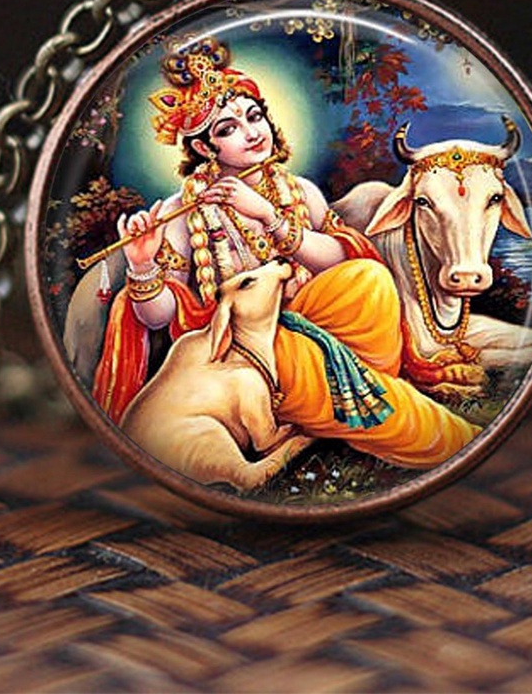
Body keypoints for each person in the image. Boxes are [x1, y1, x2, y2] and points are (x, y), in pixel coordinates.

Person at [89, 37, 479, 470]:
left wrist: (269, 216)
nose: (252, 132)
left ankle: (357, 386)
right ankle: (445, 440)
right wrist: (143, 264)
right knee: (341, 377)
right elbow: (160, 318)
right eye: (228, 129)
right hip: (252, 349)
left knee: (370, 280)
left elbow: (342, 261)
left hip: (313, 322)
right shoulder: (183, 213)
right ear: (203, 148)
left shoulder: (298, 191)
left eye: (254, 116)